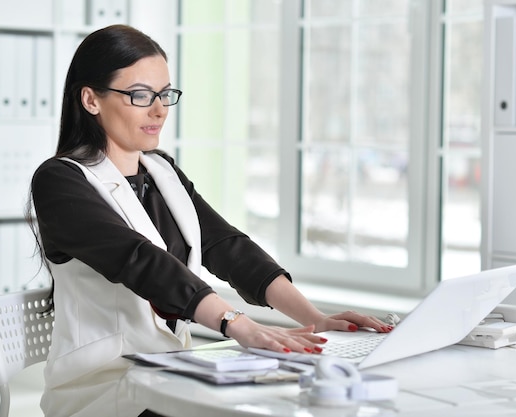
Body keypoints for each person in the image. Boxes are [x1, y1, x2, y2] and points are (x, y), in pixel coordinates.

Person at [28, 24, 392, 417]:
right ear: (91, 100)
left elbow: (226, 246)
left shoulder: (161, 171)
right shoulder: (59, 181)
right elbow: (139, 259)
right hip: (102, 384)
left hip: (168, 372)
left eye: (165, 94)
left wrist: (316, 319)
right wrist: (236, 322)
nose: (159, 109)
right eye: (140, 95)